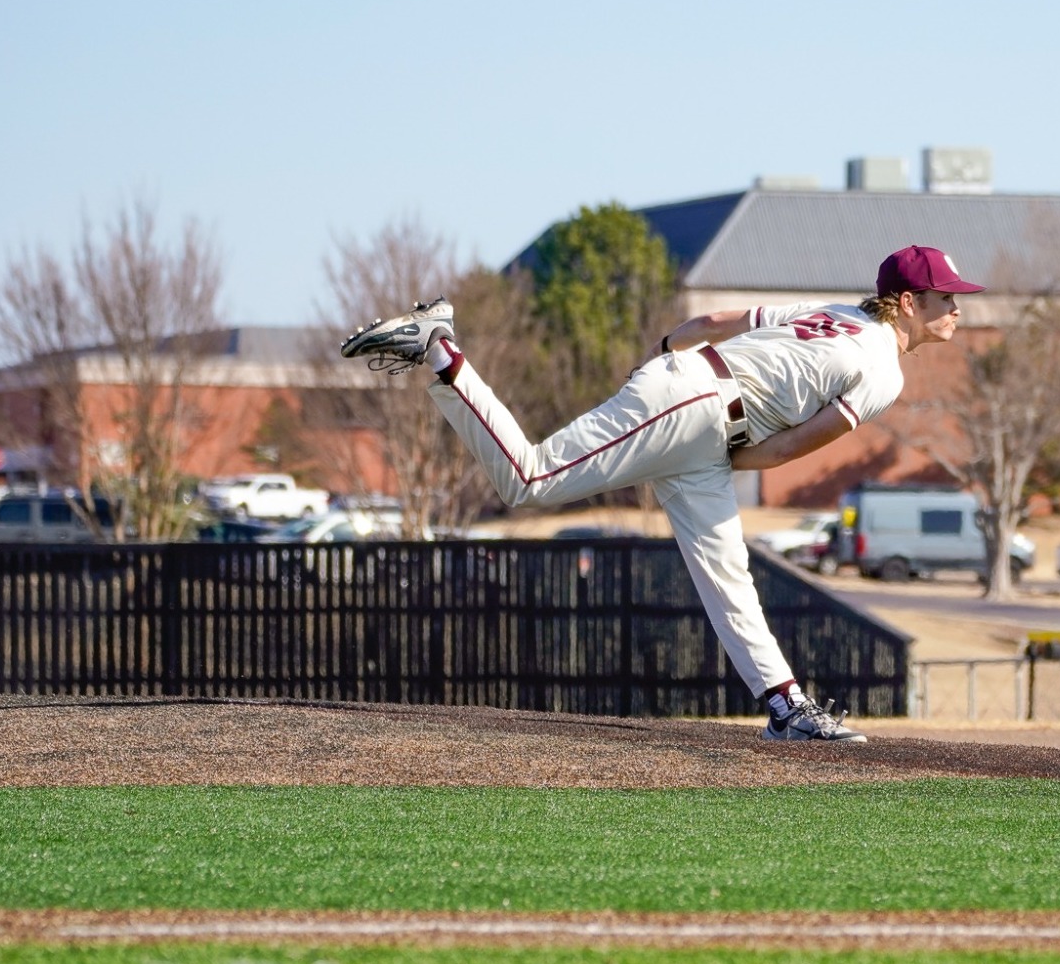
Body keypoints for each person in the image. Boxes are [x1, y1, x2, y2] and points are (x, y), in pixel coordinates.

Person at [339, 244, 983, 742]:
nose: (956, 307)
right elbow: (786, 451)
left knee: (729, 572)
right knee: (529, 480)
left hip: (696, 405)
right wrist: (684, 410)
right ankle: (442, 349)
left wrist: (658, 362)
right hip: (698, 410)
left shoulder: (834, 312)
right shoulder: (882, 370)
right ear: (905, 302)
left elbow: (709, 321)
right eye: (943, 296)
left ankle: (786, 705)